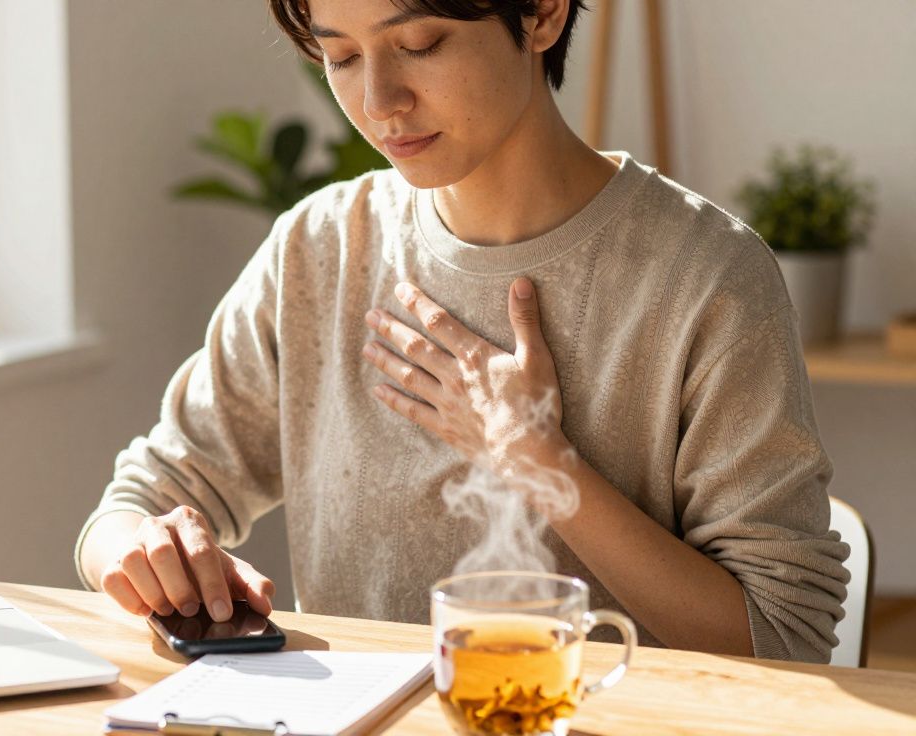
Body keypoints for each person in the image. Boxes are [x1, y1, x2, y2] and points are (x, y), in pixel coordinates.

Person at [73, 0, 850, 662]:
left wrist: (539, 462)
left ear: (542, 12)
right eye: (340, 57)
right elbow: (135, 503)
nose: (379, 101)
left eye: (420, 45)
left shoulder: (706, 276)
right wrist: (144, 552)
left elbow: (782, 635)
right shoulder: (320, 248)